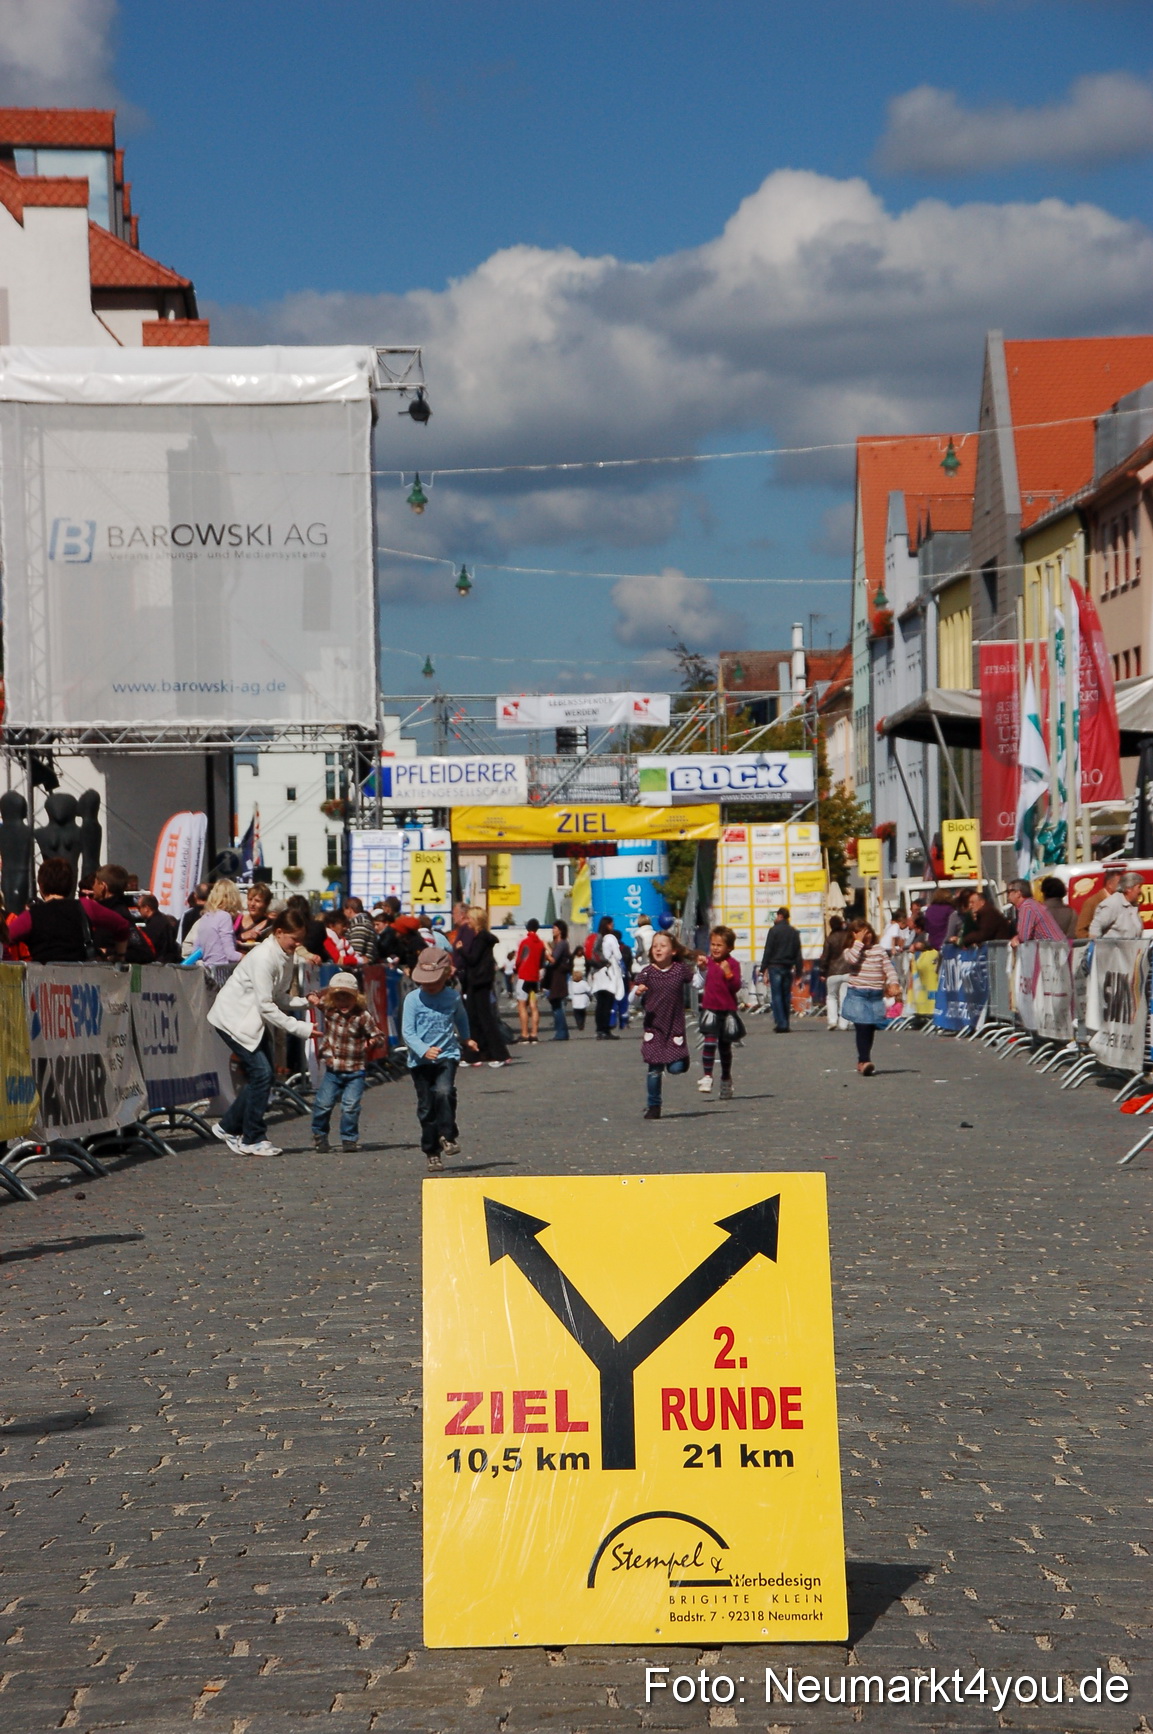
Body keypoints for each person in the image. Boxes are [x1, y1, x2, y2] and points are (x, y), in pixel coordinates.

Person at [207, 909, 315, 1157]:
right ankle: (252, 1137)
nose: (298, 944)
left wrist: (305, 1002)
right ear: (279, 933)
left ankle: (227, 1127)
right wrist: (301, 1028)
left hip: (251, 1022)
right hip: (233, 1020)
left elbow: (278, 997)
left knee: (263, 1077)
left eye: (301, 939)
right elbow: (266, 1005)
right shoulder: (264, 957)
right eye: (294, 939)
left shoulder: (285, 955)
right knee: (262, 1074)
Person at [401, 945, 478, 1170]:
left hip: (447, 1054)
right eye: (425, 981)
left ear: (445, 976)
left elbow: (461, 1018)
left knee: (444, 1092)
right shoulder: (413, 1000)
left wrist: (466, 1038)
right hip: (420, 1061)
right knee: (427, 1107)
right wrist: (423, 1049)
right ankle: (431, 1150)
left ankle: (448, 1135)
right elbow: (408, 1032)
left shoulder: (452, 997)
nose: (430, 986)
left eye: (434, 981)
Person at [310, 971, 388, 1153]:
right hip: (333, 1068)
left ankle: (349, 1137)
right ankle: (319, 1135)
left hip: (355, 1069)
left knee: (350, 1106)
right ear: (332, 1000)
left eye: (347, 999)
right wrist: (312, 996)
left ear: (356, 998)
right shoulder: (330, 1010)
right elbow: (315, 999)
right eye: (338, 999)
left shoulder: (363, 1016)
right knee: (323, 1104)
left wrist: (371, 1042)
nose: (343, 1003)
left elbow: (379, 1036)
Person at [7, 856, 132, 963]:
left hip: (43, 983)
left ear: (41, 885)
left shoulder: (30, 916)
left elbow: (5, 937)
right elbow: (122, 926)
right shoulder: (86, 906)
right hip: (81, 983)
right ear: (71, 884)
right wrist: (120, 957)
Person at [632, 930, 694, 1118]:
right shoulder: (647, 972)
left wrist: (704, 970)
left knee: (676, 1068)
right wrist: (637, 993)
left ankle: (682, 1060)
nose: (658, 949)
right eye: (655, 945)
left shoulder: (679, 970)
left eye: (663, 945)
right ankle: (654, 1105)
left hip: (674, 1026)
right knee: (654, 1068)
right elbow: (631, 1001)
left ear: (673, 951)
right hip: (654, 1027)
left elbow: (698, 983)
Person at [841, 920, 900, 1077]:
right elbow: (852, 959)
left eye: (867, 932)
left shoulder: (878, 950)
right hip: (858, 993)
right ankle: (865, 1060)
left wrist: (893, 982)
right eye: (861, 933)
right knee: (861, 1026)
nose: (866, 936)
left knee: (870, 1027)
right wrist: (858, 943)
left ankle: (863, 1059)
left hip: (874, 994)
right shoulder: (850, 950)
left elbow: (888, 968)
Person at [696, 925, 743, 1098]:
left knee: (725, 1048)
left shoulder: (733, 964)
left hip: (727, 1010)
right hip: (710, 1008)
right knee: (709, 1042)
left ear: (729, 947)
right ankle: (707, 1076)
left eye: (719, 945)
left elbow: (735, 987)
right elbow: (699, 982)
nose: (715, 948)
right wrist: (701, 968)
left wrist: (729, 974)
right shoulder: (707, 962)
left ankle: (726, 1079)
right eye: (713, 944)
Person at [460, 908, 509, 1066]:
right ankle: (478, 1054)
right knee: (475, 1018)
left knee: (483, 1019)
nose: (467, 922)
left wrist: (461, 950)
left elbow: (473, 959)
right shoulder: (481, 937)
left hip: (478, 981)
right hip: (480, 981)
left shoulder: (480, 938)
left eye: (469, 918)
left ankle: (499, 1054)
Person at [759, 907, 803, 1033]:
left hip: (775, 966)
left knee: (777, 996)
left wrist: (763, 968)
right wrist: (799, 972)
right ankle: (786, 1022)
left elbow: (768, 950)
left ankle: (781, 1023)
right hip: (788, 967)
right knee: (785, 996)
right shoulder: (794, 932)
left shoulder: (773, 931)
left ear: (780, 916)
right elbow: (798, 953)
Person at [195, 879, 244, 980]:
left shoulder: (204, 917)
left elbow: (196, 950)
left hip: (207, 974)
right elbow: (230, 955)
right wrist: (251, 957)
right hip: (222, 974)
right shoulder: (224, 917)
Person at [588, 915, 624, 1039]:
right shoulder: (604, 938)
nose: (613, 926)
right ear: (607, 925)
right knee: (606, 1002)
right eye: (611, 924)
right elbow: (597, 952)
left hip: (598, 973)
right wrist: (607, 960)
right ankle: (604, 1029)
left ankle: (601, 1030)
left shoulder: (598, 936)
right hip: (605, 972)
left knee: (601, 1003)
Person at [1006, 879, 1068, 946]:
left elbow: (1023, 937)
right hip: (1057, 948)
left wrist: (1016, 938)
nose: (1007, 895)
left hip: (1053, 950)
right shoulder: (1032, 904)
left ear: (1018, 893)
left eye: (1008, 892)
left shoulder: (1027, 907)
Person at [514, 918, 546, 1043]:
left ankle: (524, 1034)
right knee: (534, 1006)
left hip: (524, 976)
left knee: (522, 1005)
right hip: (535, 978)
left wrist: (517, 968)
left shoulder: (525, 942)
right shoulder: (541, 944)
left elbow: (519, 959)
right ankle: (534, 1033)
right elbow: (542, 962)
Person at [1088, 870, 1145, 939]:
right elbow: (1096, 926)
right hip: (1113, 949)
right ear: (1129, 889)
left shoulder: (1133, 905)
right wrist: (1096, 945)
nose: (1140, 891)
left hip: (1131, 948)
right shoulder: (1113, 903)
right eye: (1139, 887)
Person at [820, 915, 853, 1033]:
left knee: (831, 997)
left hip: (832, 972)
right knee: (844, 997)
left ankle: (832, 1021)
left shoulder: (830, 939)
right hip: (847, 970)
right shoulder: (848, 937)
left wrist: (822, 971)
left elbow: (825, 957)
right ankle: (844, 1023)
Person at [545, 919, 572, 1041]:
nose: (553, 930)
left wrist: (546, 952)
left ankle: (561, 1032)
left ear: (560, 930)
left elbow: (554, 959)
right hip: (555, 976)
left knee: (557, 1005)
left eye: (555, 928)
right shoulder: (558, 943)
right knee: (556, 1004)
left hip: (558, 976)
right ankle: (561, 1032)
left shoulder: (562, 944)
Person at [136, 893, 180, 963]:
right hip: (170, 961)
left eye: (139, 907)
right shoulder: (165, 920)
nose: (138, 910)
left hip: (159, 964)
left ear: (146, 908)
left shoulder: (153, 926)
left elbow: (151, 947)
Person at [237, 883, 274, 950]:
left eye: (257, 901)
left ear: (266, 903)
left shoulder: (270, 926)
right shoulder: (237, 920)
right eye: (250, 899)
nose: (252, 904)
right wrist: (241, 936)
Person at [342, 896, 377, 961]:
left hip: (359, 968)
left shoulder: (359, 924)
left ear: (349, 910)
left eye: (344, 910)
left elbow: (356, 952)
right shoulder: (363, 922)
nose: (344, 913)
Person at [569, 949, 590, 1031]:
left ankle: (578, 1023)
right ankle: (581, 1024)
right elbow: (588, 989)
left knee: (576, 1013)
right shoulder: (583, 983)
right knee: (582, 1013)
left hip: (576, 999)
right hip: (582, 998)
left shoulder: (571, 984)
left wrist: (571, 997)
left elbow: (570, 991)